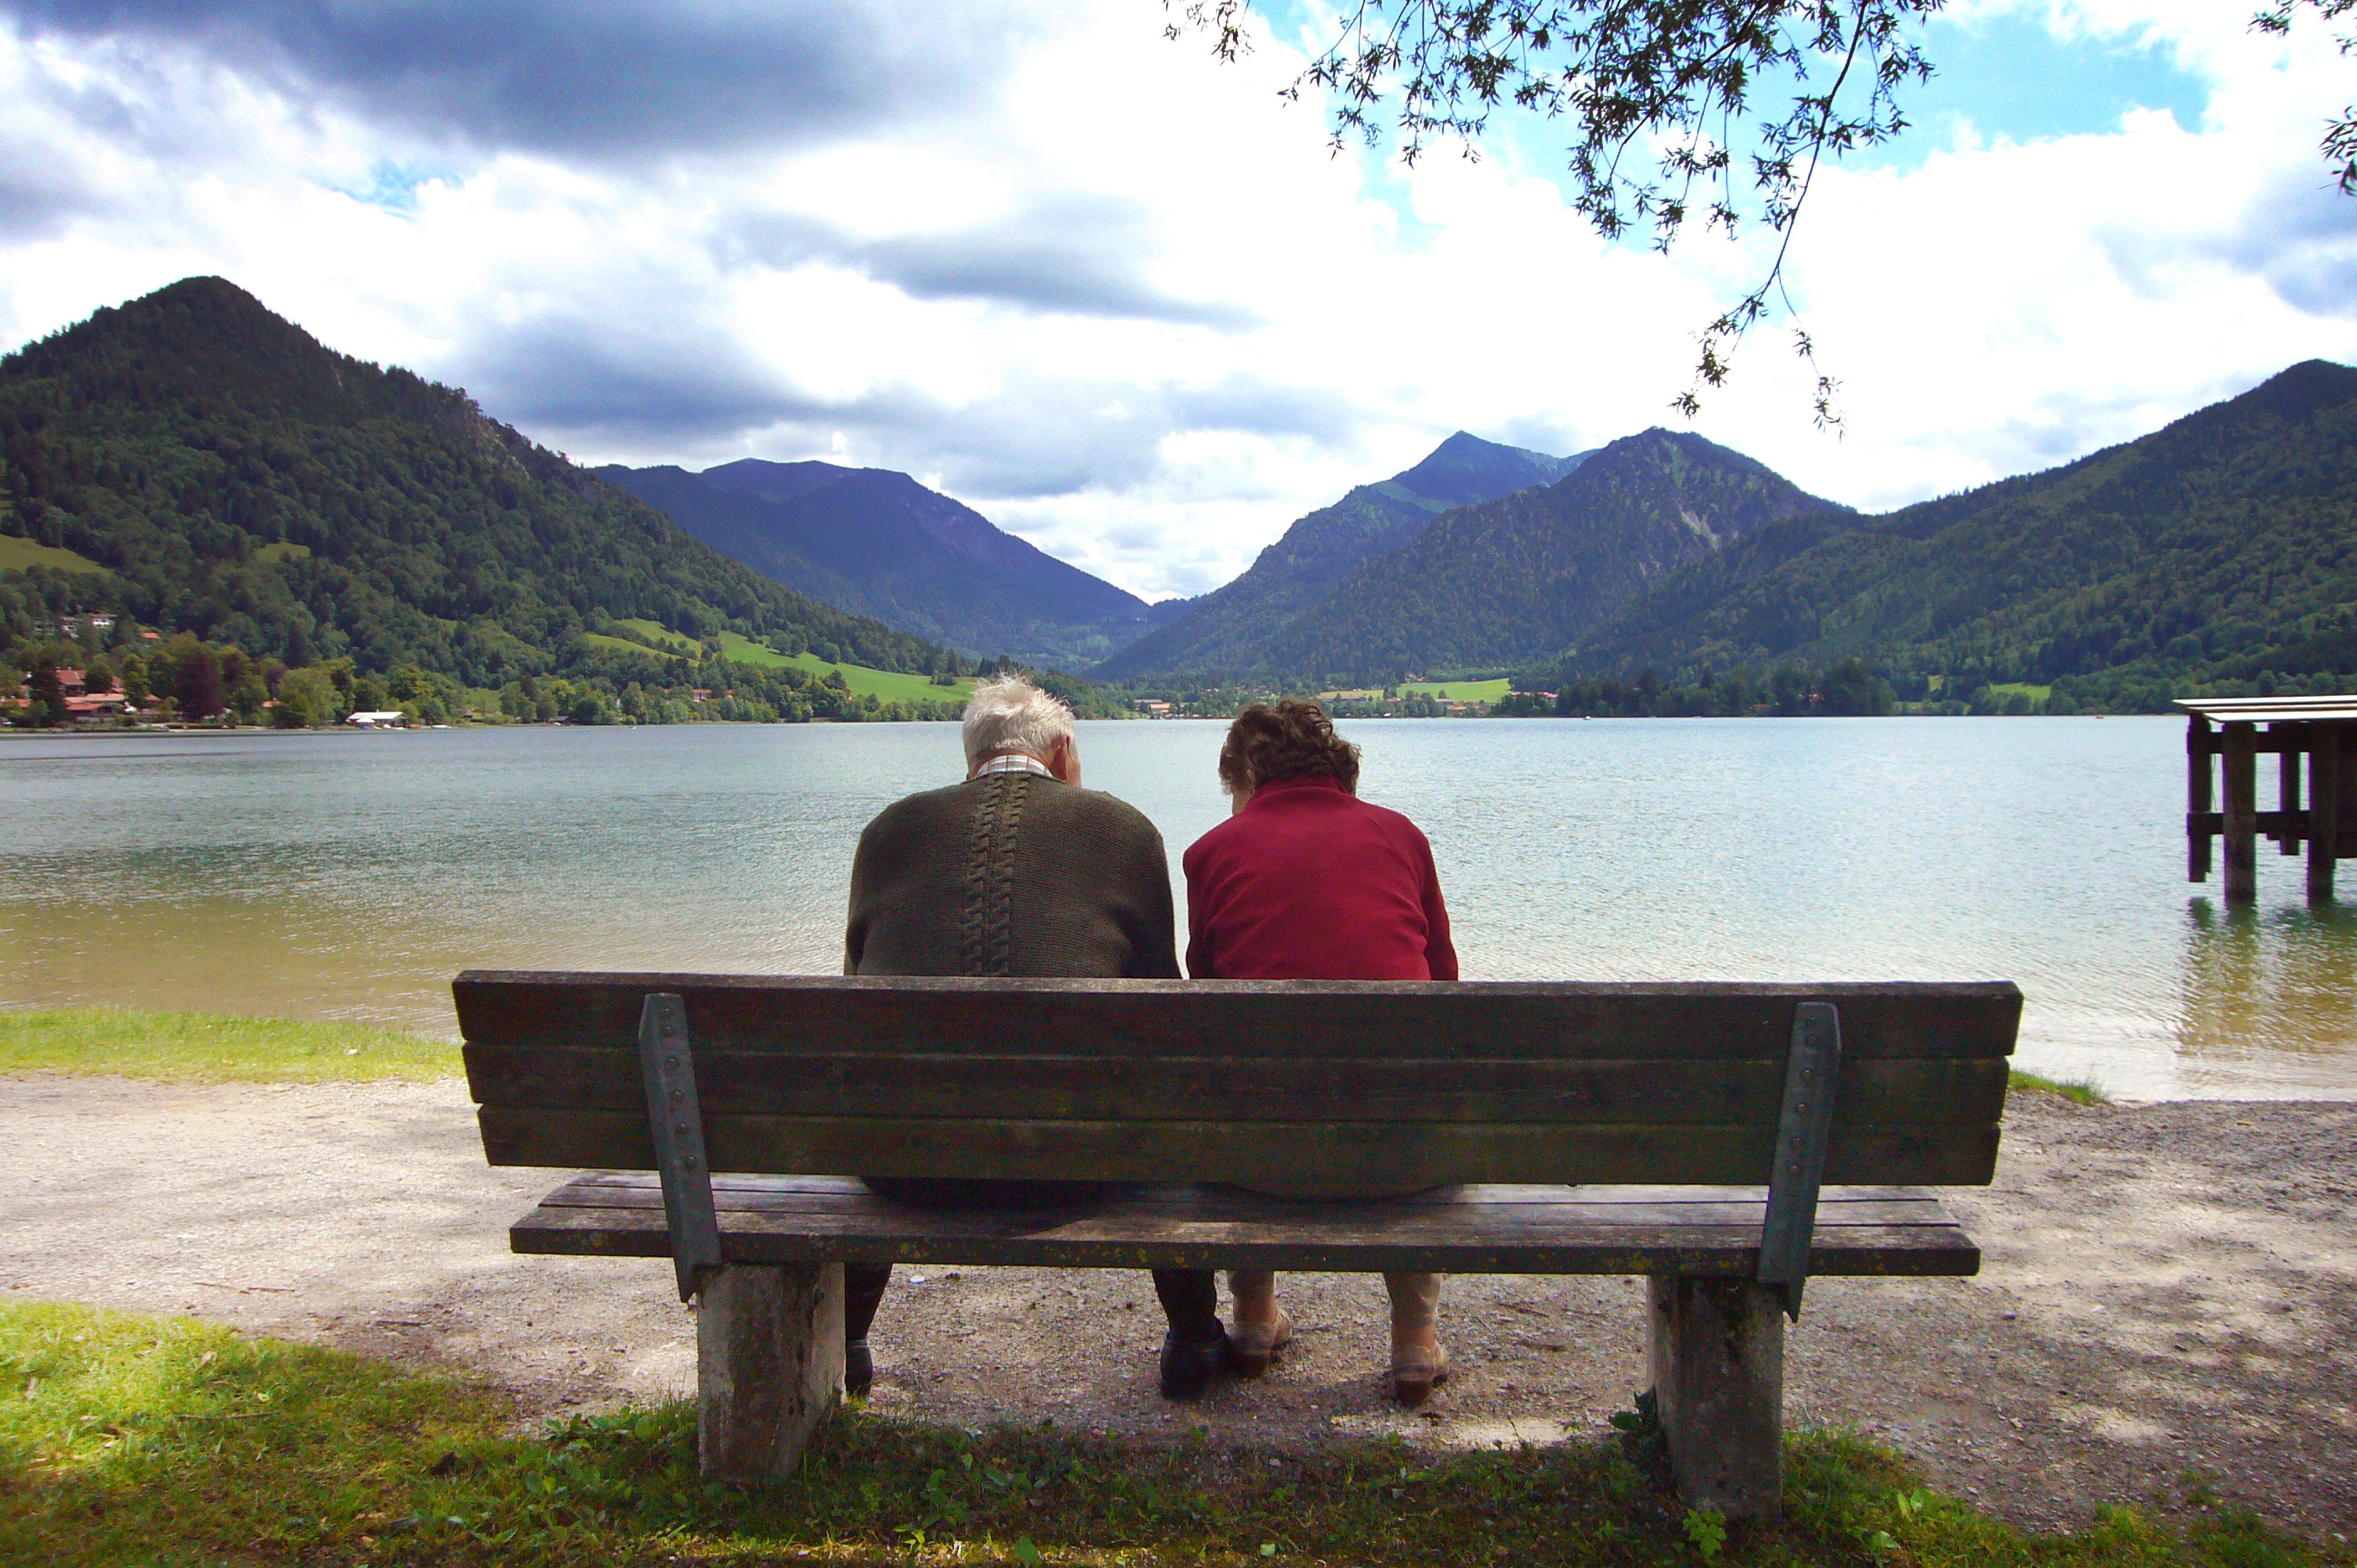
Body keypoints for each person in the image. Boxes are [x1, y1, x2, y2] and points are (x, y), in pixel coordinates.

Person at [838, 675, 1229, 1399]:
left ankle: (848, 1342)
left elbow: (857, 996)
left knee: (902, 1086)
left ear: (971, 758)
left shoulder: (889, 833)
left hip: (908, 1166)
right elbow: (1161, 1012)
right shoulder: (1122, 831)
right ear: (1065, 752)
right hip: (1079, 1166)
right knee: (1160, 1107)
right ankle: (1196, 1339)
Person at [1179, 698, 1459, 1405]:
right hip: (1398, 1160)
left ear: (1247, 778)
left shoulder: (1210, 854)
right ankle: (1414, 1340)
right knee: (1406, 1079)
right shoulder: (1402, 838)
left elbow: (1205, 998)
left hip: (1257, 1161)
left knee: (1240, 1077)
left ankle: (1250, 1318)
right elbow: (1445, 990)